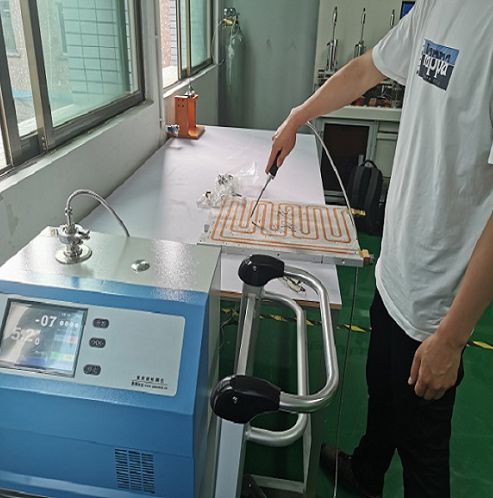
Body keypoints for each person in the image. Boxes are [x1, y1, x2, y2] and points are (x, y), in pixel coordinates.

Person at [267, 1, 493, 497]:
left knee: (423, 455)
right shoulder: (436, 6)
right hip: (395, 271)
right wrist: (299, 115)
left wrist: (452, 339)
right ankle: (367, 474)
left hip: (436, 306)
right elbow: (367, 68)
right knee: (381, 395)